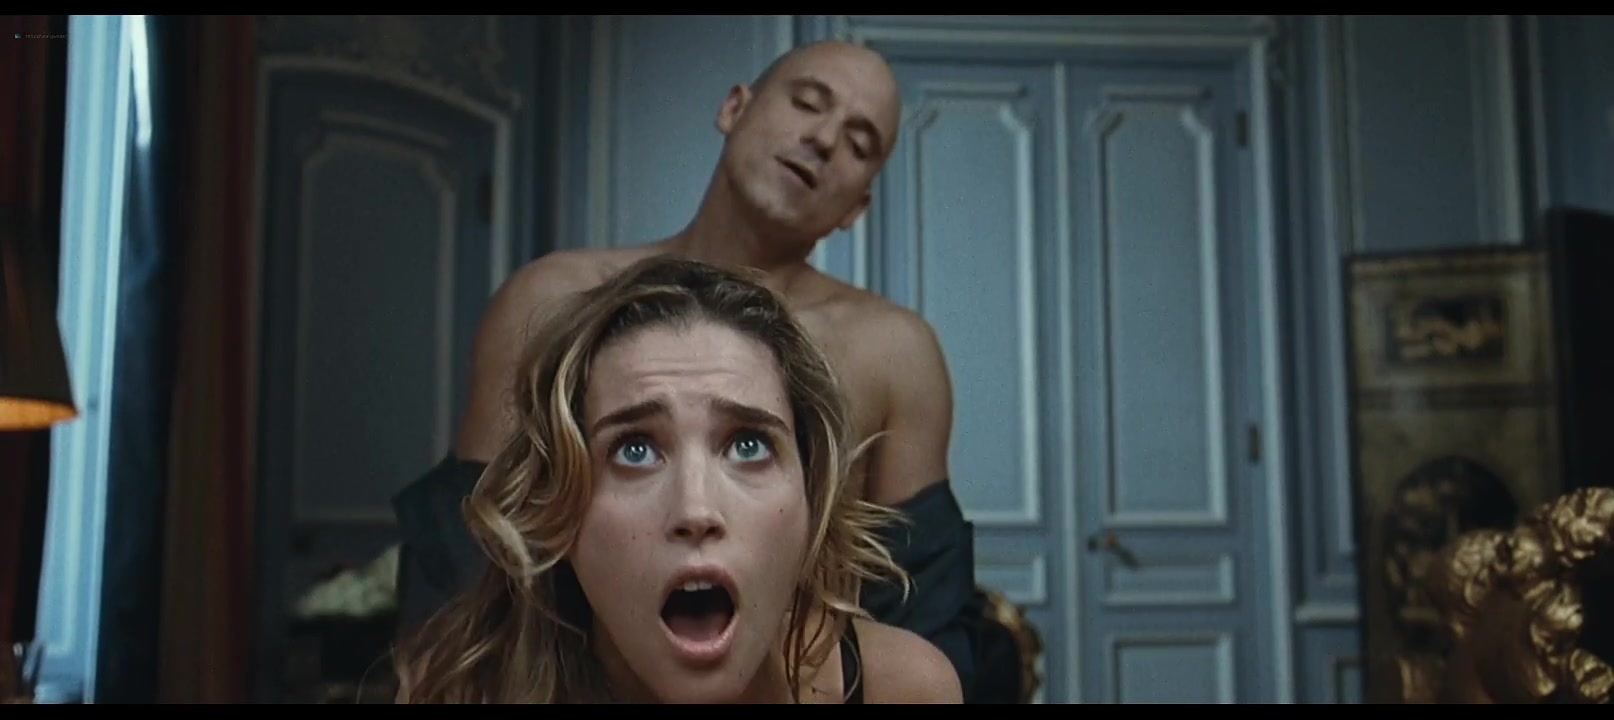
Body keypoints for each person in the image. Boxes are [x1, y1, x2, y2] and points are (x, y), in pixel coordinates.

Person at [391, 39, 982, 698]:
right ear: (735, 108)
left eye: (859, 142)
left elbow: (925, 596)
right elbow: (462, 558)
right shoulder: (550, 301)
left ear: (858, 207)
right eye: (807, 103)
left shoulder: (894, 352)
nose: (822, 139)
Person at [392, 256, 963, 703]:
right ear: (558, 512)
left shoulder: (903, 691)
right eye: (635, 450)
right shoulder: (462, 694)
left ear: (811, 499)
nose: (696, 510)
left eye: (748, 445)